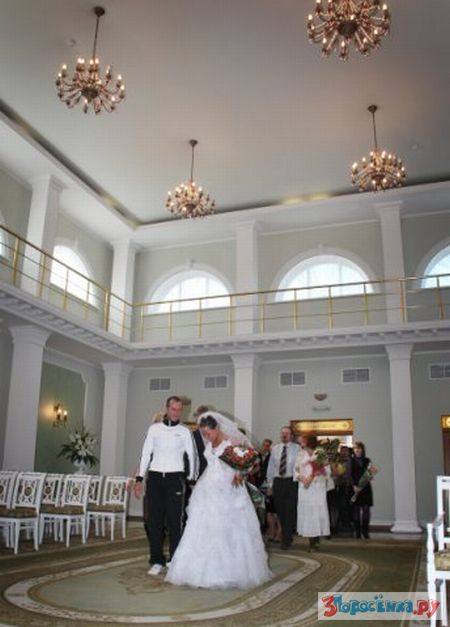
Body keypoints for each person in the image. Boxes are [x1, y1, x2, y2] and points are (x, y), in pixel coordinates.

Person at [166, 412, 272, 589]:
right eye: (204, 434)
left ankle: (229, 571)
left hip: (228, 488)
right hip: (207, 487)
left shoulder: (231, 442)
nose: (206, 437)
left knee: (228, 528)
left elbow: (252, 461)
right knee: (202, 527)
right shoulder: (209, 442)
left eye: (208, 433)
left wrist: (241, 473)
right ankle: (198, 570)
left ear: (216, 428)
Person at [133, 396, 196, 576]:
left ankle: (174, 560)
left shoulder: (185, 431)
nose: (176, 413)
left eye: (179, 410)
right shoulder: (154, 429)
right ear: (167, 409)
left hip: (175, 479)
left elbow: (192, 456)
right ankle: (156, 560)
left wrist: (191, 478)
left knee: (175, 522)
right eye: (173, 409)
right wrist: (139, 478)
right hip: (155, 478)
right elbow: (146, 453)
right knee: (154, 522)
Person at [295, 433, 331, 551]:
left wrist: (318, 472)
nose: (301, 442)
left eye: (303, 440)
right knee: (308, 514)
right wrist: (303, 479)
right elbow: (295, 470)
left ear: (309, 441)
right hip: (305, 488)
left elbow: (328, 471)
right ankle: (311, 542)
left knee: (317, 514)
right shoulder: (300, 454)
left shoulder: (320, 453)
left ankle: (316, 540)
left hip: (317, 488)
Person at [266, 426, 300, 550]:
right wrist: (270, 485)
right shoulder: (275, 449)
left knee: (289, 511)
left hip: (292, 482)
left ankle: (285, 539)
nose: (284, 435)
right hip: (278, 482)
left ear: (291, 435)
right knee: (280, 511)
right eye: (282, 433)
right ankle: (287, 536)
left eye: (287, 433)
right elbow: (271, 468)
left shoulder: (297, 448)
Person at [348, 441, 373, 539]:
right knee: (356, 510)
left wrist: (370, 476)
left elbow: (370, 473)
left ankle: (365, 531)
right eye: (355, 448)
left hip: (366, 488)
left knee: (366, 509)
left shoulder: (367, 460)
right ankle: (357, 532)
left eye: (359, 448)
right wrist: (353, 486)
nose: (357, 450)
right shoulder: (351, 461)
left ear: (362, 449)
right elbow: (349, 475)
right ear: (353, 450)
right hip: (355, 488)